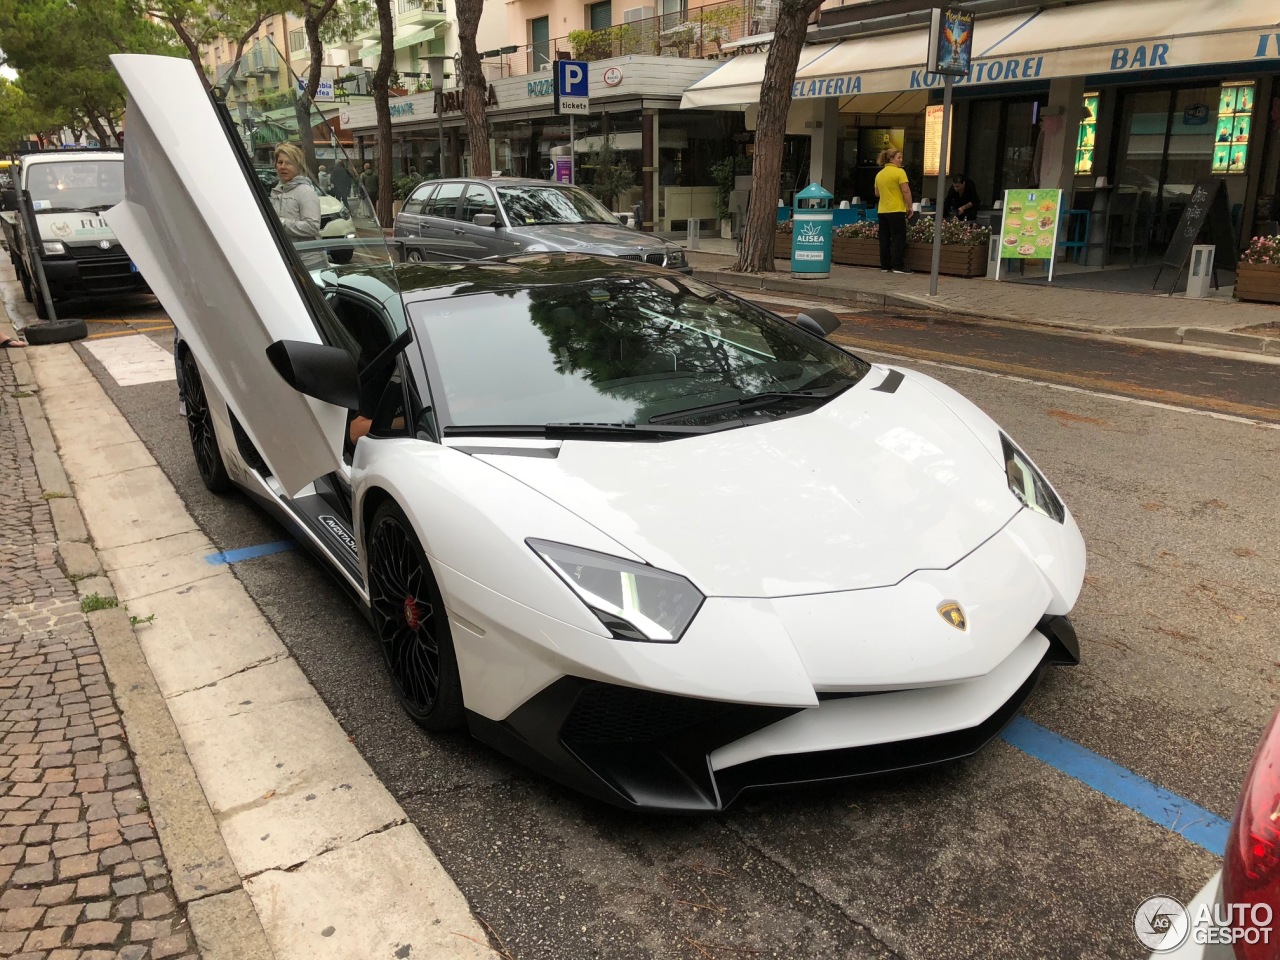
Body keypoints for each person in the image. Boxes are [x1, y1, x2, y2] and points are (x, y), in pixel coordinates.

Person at [269, 142, 324, 269]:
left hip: (308, 263)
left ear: (298, 166)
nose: (283, 167)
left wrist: (281, 223)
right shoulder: (278, 191)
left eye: (288, 163)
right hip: (287, 260)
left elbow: (312, 227)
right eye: (280, 162)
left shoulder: (305, 192)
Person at [874, 148, 913, 274]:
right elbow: (905, 190)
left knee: (884, 238)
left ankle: (885, 265)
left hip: (882, 210)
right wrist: (910, 206)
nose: (901, 160)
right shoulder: (900, 172)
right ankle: (898, 265)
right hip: (896, 209)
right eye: (899, 157)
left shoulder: (879, 174)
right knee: (898, 237)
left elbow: (877, 193)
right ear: (891, 159)